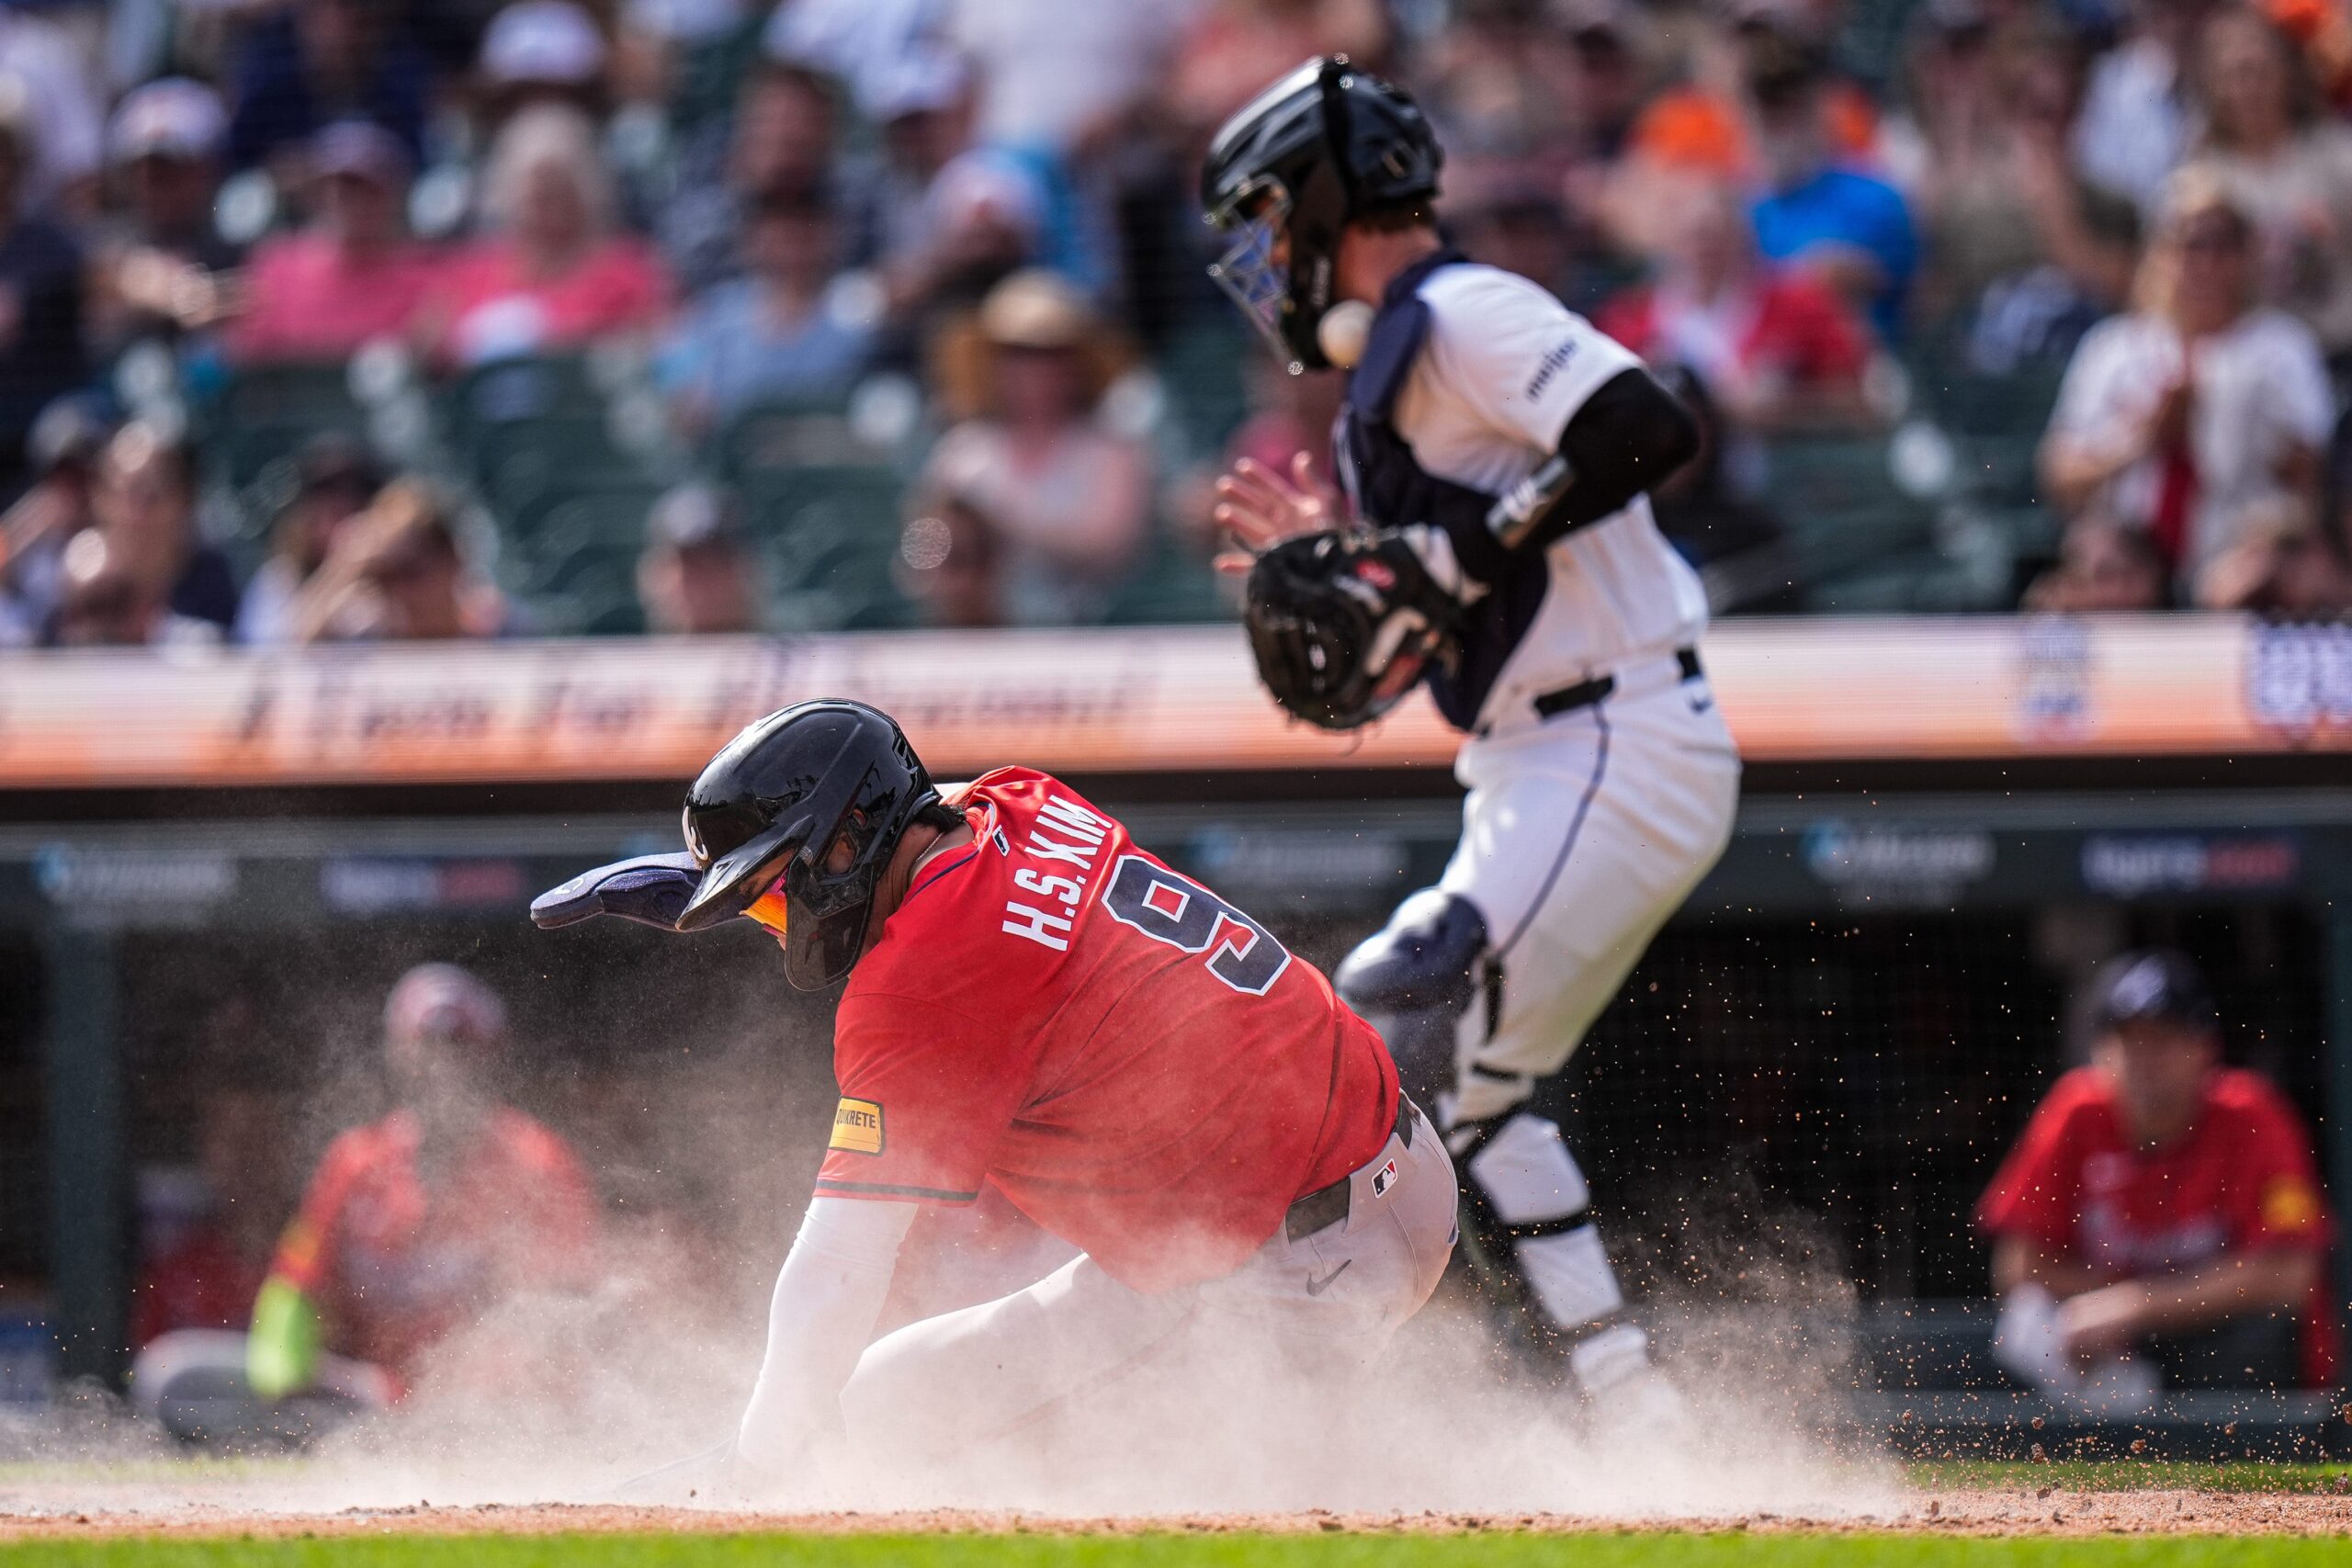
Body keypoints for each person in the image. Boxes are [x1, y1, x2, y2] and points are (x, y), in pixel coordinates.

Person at [531, 700, 1453, 1485]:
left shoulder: (919, 983)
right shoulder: (1010, 798)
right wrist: (718, 884)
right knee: (881, 1416)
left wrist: (754, 1471)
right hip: (1296, 1198)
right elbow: (951, 894)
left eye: (774, 897)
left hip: (1299, 1254)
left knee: (1111, 1507)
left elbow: (841, 1265)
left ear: (849, 839)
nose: (776, 927)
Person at [1202, 59, 1739, 1405]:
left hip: (1614, 733)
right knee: (1477, 1101)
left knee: (1385, 1020)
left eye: (1273, 216)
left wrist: (1450, 553)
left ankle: (1270, 1375)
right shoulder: (1397, 362)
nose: (1268, 254)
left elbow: (1645, 421)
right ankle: (1633, 1410)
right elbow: (1461, 577)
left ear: (1330, 197)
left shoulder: (1460, 305)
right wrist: (1373, 565)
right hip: (1540, 751)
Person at [130, 964, 602, 1444]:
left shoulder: (535, 1164)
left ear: (490, 1059)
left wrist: (471, 1386)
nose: (441, 1069)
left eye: (459, 1051)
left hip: (489, 1412)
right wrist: (284, 1374)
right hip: (372, 1406)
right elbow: (294, 1290)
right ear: (399, 1054)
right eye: (426, 1050)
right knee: (171, 1377)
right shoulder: (356, 1163)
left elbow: (559, 1316)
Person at [1979, 950, 2336, 1396]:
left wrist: (2137, 1305)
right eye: (2130, 1040)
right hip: (2115, 1352)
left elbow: (2289, 1277)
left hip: (2220, 1350)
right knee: (2028, 1321)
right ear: (2099, 1052)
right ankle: (2098, 1449)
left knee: (2264, 1332)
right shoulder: (2074, 1111)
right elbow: (2017, 1267)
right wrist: (2112, 1307)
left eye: (2164, 1040)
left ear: (2205, 1048)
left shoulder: (2254, 1114)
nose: (2146, 1059)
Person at [2039, 174, 2333, 586]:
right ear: (2160, 253)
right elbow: (2061, 477)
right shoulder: (2115, 347)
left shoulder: (2281, 347)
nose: (2206, 264)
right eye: (2191, 244)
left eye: (2224, 244)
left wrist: (2240, 422)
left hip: (2242, 554)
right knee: (2094, 566)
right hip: (2130, 560)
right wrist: (2145, 439)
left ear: (2246, 254)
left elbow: (2310, 479)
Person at [915, 269, 1152, 624]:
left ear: (1077, 365)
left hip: (1089, 639)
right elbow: (925, 551)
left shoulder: (1112, 454)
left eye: (1050, 354)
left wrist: (1002, 523)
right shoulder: (962, 451)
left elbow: (1109, 547)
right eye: (1015, 354)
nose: (1032, 370)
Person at [1597, 175, 1876, 435]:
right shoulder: (1631, 318)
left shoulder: (1800, 306)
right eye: (1694, 235)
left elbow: (1862, 399)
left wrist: (1790, 402)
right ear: (1669, 240)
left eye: (1716, 235)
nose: (1705, 248)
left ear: (1742, 237)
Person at [429, 104, 669, 367]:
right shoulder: (467, 275)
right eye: (540, 194)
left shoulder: (627, 270)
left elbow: (660, 346)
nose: (552, 206)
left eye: (562, 189)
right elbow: (431, 351)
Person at [2188, 5, 2352, 356]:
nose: (2248, 88)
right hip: (2249, 365)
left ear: (2287, 73)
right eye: (2232, 75)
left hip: (2339, 348)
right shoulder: (2201, 176)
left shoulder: (2336, 154)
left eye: (2258, 71)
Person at [658, 187, 876, 437]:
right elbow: (675, 372)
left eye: (805, 233)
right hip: (731, 458)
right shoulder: (718, 311)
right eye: (781, 234)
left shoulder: (857, 306)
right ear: (754, 240)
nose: (792, 249)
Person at [227, 121, 440, 365]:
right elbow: (244, 359)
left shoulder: (423, 278)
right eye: (340, 186)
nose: (351, 200)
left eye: (368, 189)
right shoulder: (275, 267)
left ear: (394, 196)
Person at [233, 434, 385, 645]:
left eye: (355, 500)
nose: (343, 515)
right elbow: (271, 654)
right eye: (327, 502)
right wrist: (343, 568)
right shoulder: (279, 580)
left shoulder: (401, 578)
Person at [638, 479, 763, 634]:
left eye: (717, 562)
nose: (703, 584)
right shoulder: (614, 654)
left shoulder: (795, 653)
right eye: (689, 564)